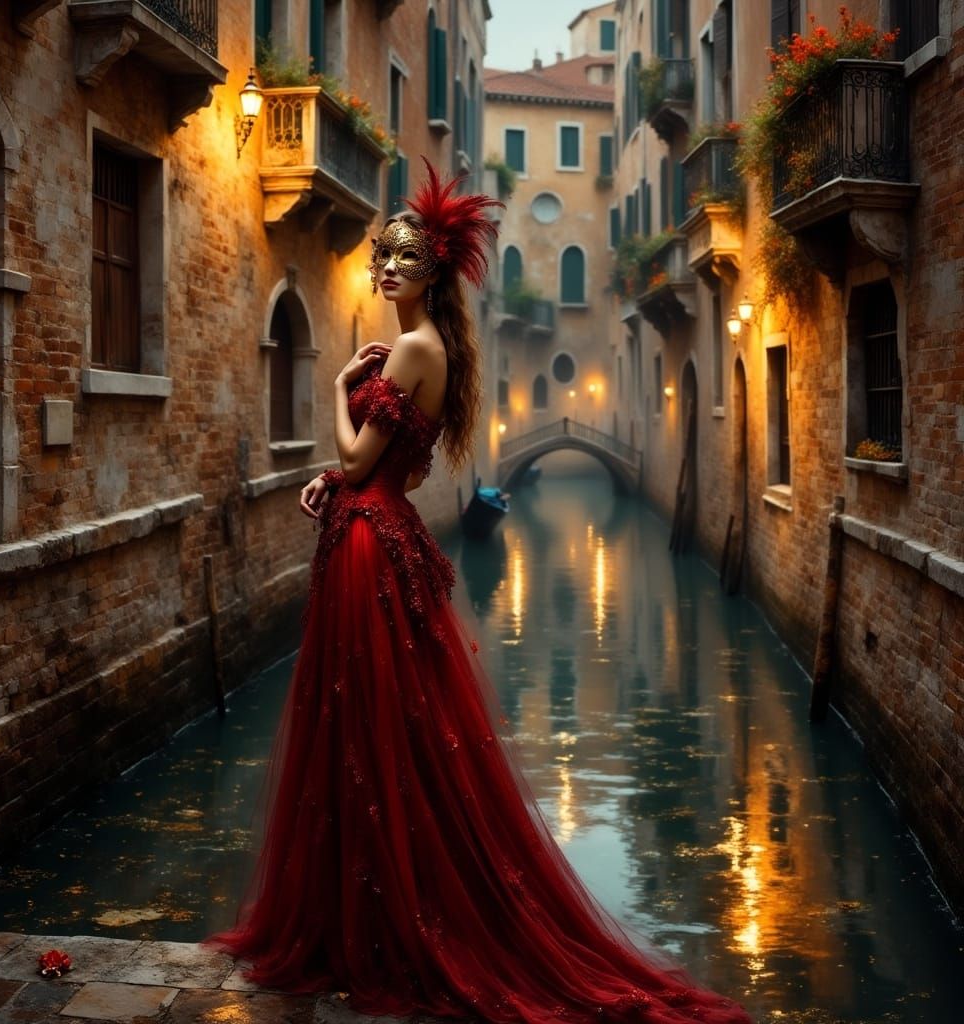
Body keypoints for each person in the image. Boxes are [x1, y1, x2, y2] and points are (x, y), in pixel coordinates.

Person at [204, 159, 753, 1024]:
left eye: (404, 260)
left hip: (369, 549)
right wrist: (332, 477)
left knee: (368, 731)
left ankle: (377, 929)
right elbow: (362, 472)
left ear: (433, 274)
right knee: (374, 731)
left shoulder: (415, 350)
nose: (386, 269)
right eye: (382, 256)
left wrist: (341, 392)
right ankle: (369, 924)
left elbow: (359, 458)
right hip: (370, 534)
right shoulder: (430, 348)